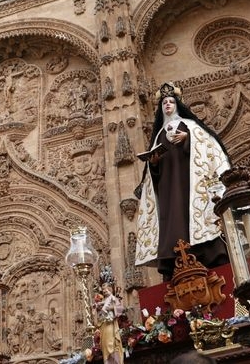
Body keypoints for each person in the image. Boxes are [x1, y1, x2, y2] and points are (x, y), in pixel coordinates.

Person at [135, 82, 232, 281]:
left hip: (192, 188)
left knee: (197, 221)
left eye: (171, 102)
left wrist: (188, 139)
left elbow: (210, 149)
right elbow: (154, 174)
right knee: (173, 223)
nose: (167, 105)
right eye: (164, 103)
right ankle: (176, 260)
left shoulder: (192, 128)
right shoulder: (159, 135)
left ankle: (207, 254)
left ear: (178, 105)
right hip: (170, 191)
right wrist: (153, 164)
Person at [94, 266, 125, 364]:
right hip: (103, 325)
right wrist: (97, 307)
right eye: (103, 289)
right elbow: (99, 313)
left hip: (110, 325)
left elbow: (121, 309)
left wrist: (111, 308)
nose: (104, 291)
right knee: (105, 346)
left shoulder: (113, 299)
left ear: (110, 289)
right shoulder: (103, 301)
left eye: (106, 289)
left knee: (110, 344)